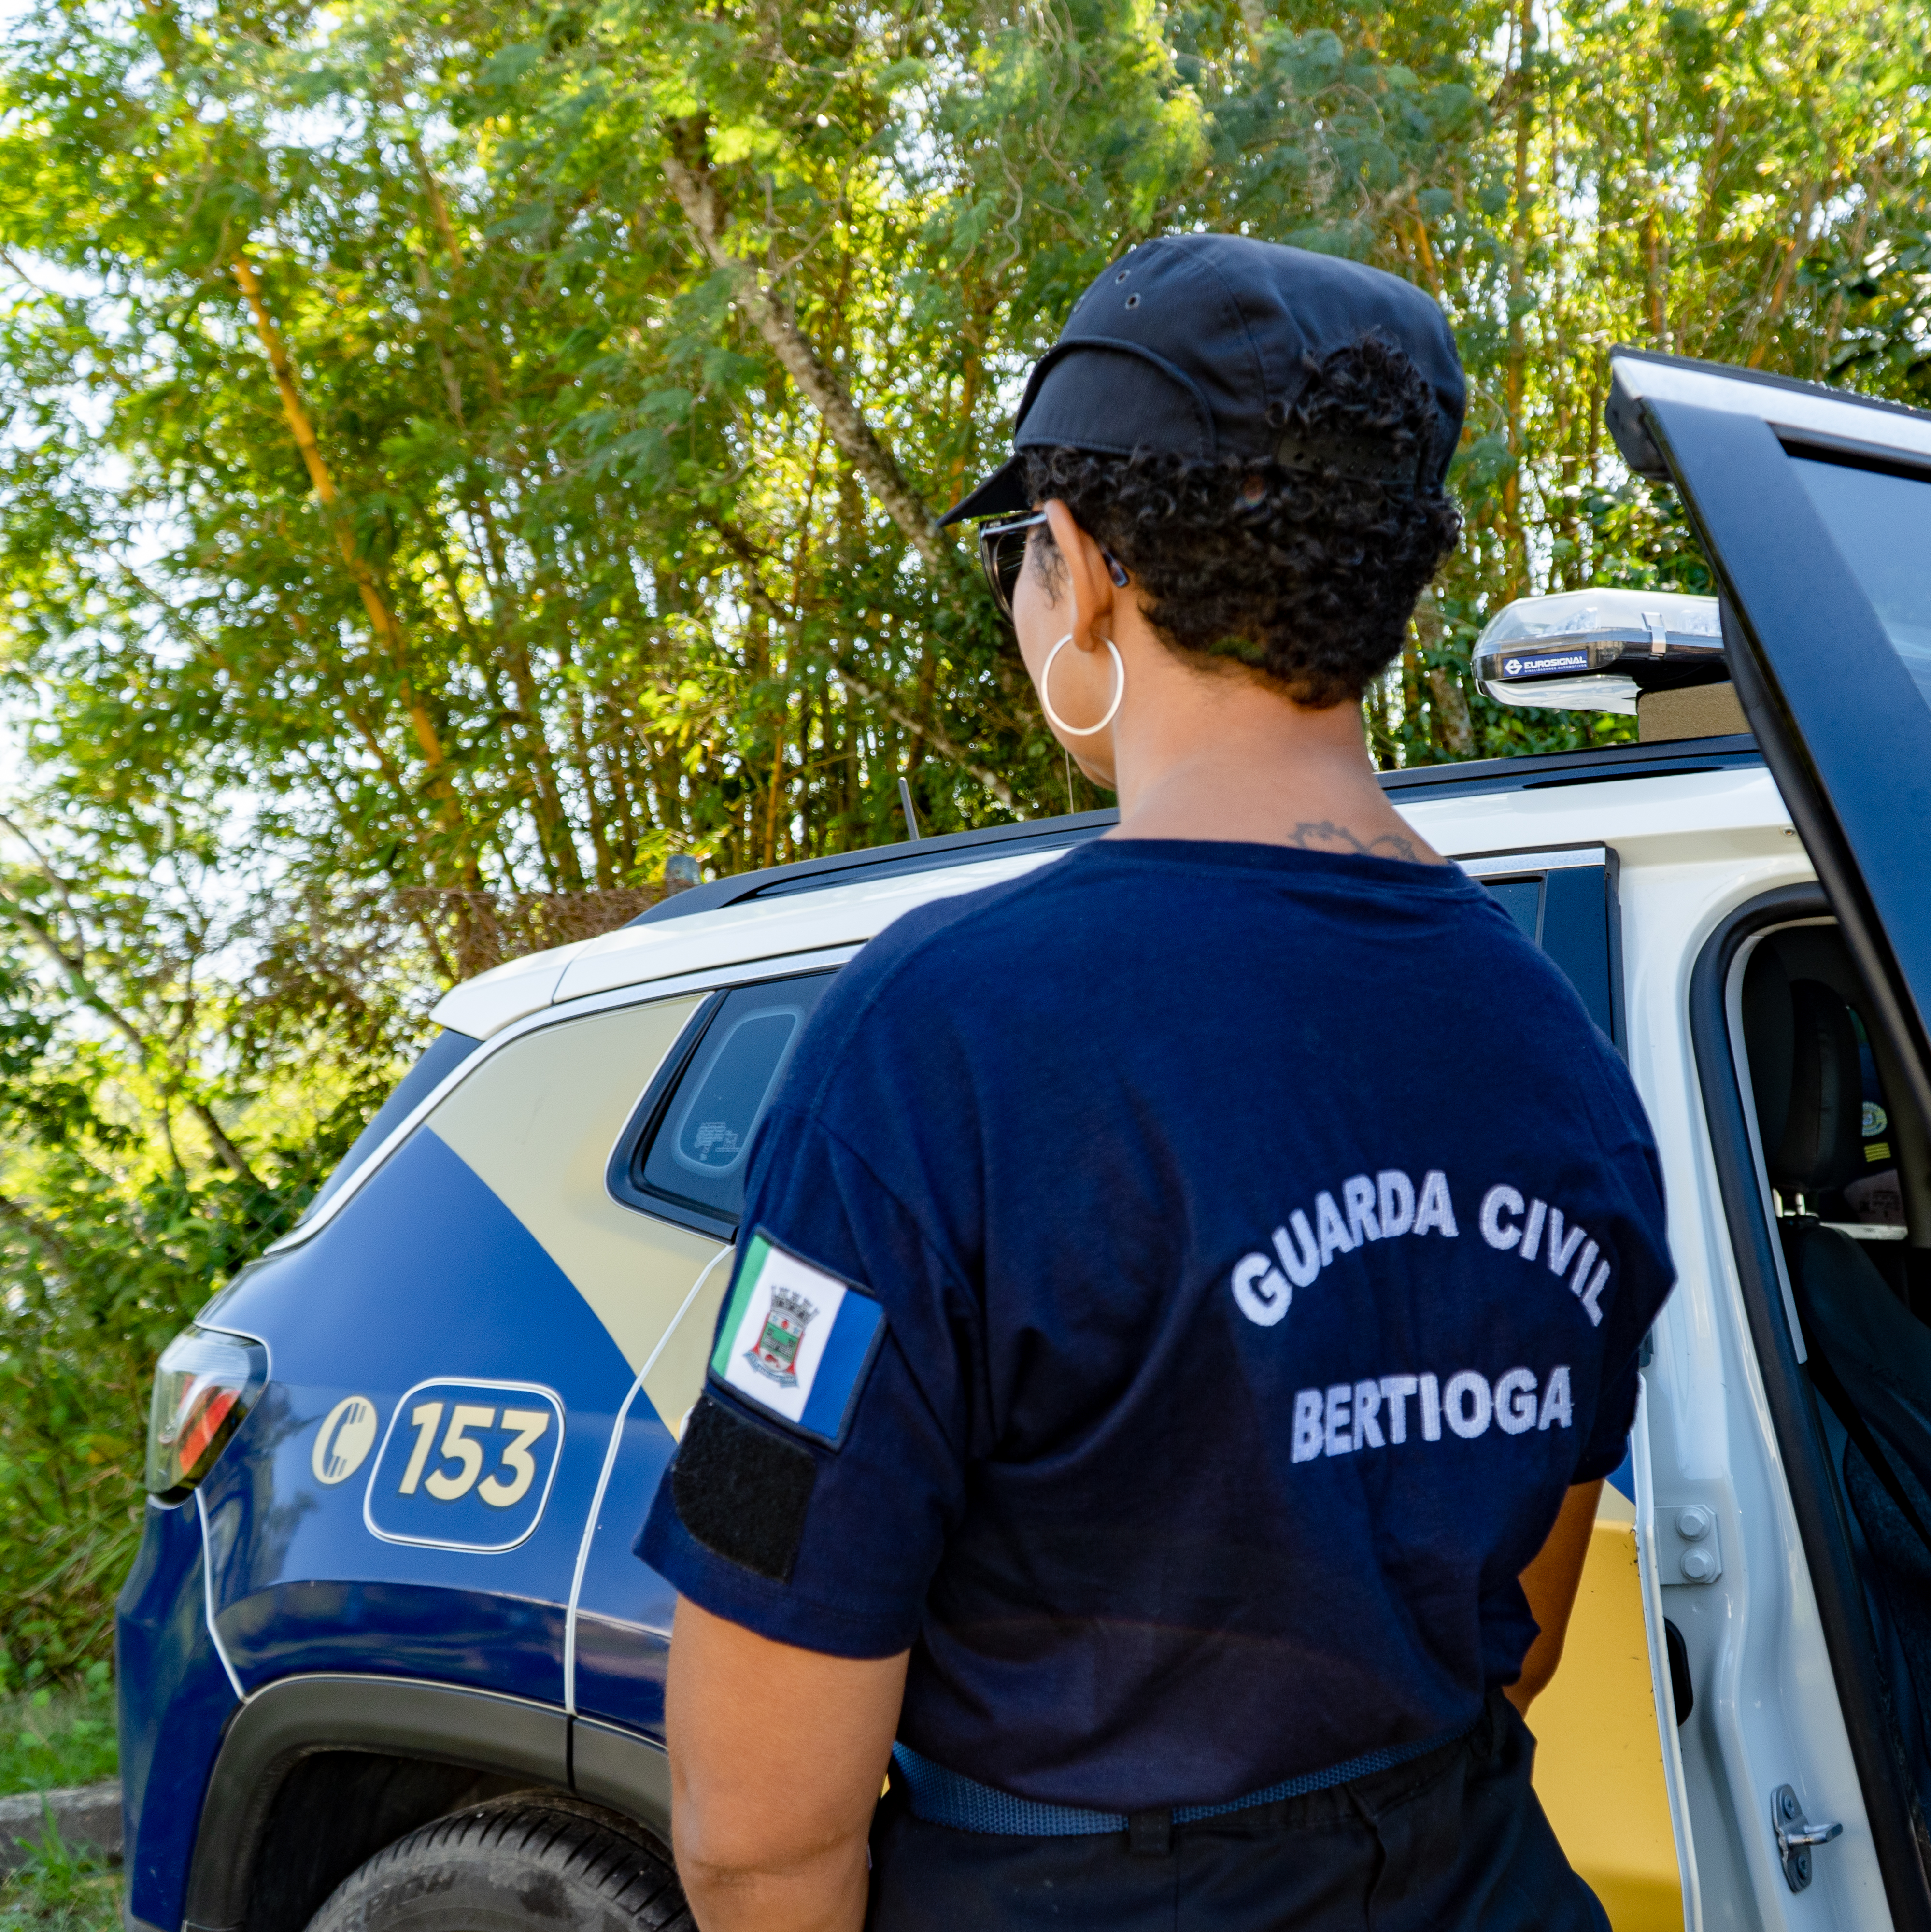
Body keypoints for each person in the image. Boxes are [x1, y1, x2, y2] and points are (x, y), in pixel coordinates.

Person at [634, 232, 1675, 1932]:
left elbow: (757, 1822)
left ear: (1087, 575)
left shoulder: (937, 1040)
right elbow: (1525, 1630)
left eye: (1021, 555)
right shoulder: (1557, 1041)